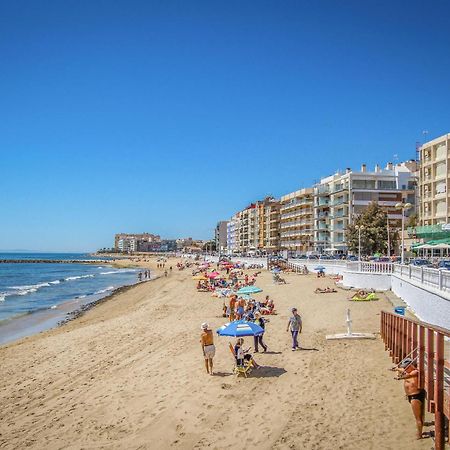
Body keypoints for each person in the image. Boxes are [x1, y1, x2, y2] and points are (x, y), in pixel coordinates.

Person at [394, 358, 425, 439]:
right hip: (410, 396)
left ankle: (419, 434)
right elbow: (402, 370)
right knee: (419, 415)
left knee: (417, 417)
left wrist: (400, 377)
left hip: (415, 397)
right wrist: (396, 369)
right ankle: (420, 429)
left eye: (406, 367)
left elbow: (407, 375)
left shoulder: (415, 372)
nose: (405, 369)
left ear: (411, 365)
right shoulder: (408, 370)